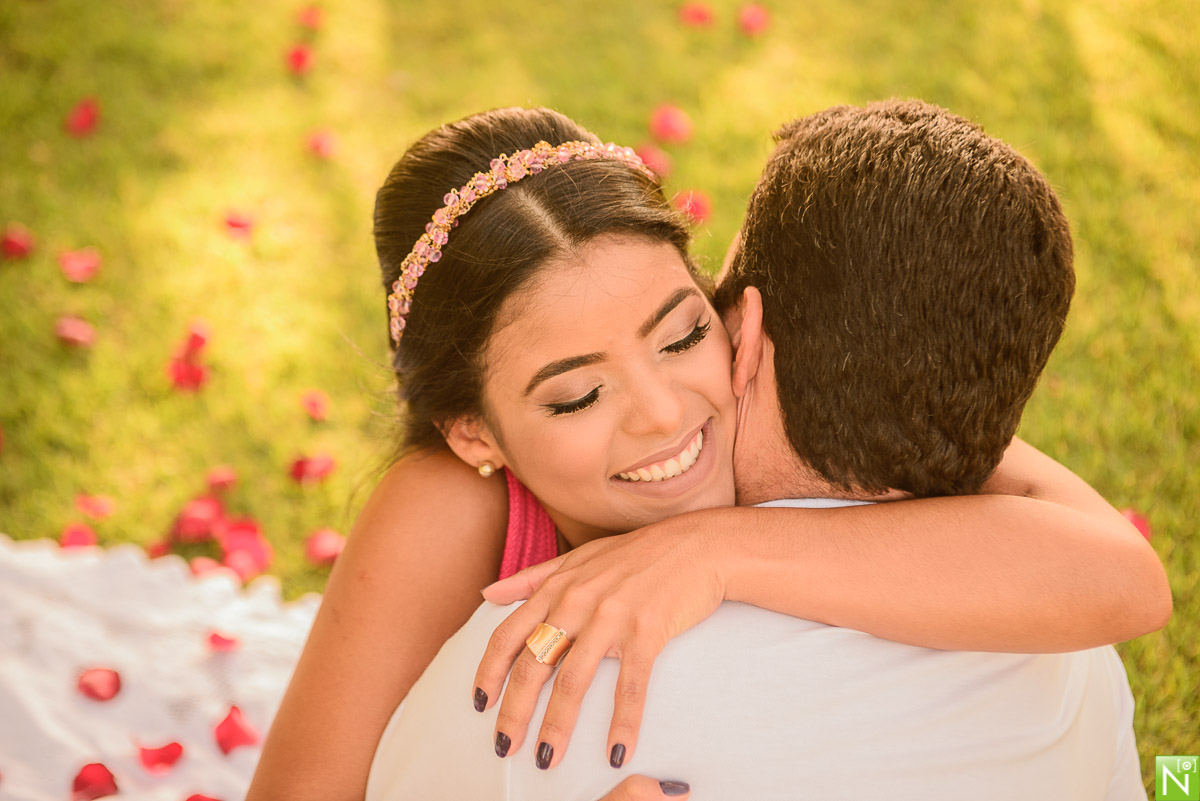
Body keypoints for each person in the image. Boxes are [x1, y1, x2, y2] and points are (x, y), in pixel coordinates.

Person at [247, 105, 1169, 801]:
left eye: (681, 335)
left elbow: (1122, 578)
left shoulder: (817, 413)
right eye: (576, 393)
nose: (660, 413)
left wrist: (716, 550)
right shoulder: (453, 505)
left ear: (736, 314)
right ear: (476, 430)